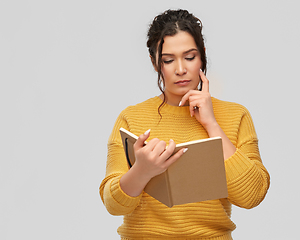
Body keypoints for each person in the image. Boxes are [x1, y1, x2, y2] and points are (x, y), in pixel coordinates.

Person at [99, 9, 270, 240]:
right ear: (155, 63)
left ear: (202, 56)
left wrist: (211, 124)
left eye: (189, 57)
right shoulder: (131, 117)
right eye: (168, 60)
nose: (180, 69)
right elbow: (113, 205)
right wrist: (142, 171)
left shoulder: (235, 115)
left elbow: (252, 195)